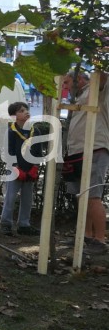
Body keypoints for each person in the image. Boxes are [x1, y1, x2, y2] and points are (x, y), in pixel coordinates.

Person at [64, 70, 109, 254]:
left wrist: (97, 58)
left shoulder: (95, 89)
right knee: (82, 196)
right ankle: (86, 236)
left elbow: (102, 77)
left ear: (79, 79)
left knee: (92, 196)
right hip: (77, 151)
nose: (65, 88)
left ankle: (100, 240)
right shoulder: (80, 96)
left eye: (66, 83)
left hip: (95, 148)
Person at [0, 102, 42, 236]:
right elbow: (9, 152)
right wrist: (16, 168)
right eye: (22, 111)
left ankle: (24, 224)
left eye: (26, 110)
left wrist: (35, 168)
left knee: (27, 199)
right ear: (15, 116)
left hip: (29, 171)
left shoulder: (35, 131)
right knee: (10, 197)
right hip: (15, 171)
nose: (26, 112)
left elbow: (38, 151)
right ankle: (6, 223)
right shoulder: (11, 131)